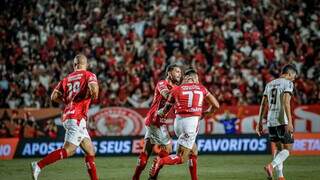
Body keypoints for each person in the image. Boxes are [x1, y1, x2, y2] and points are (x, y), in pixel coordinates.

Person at [30, 54, 99, 180]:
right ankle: (39, 165)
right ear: (86, 64)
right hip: (77, 117)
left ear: (74, 65)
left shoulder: (66, 79)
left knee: (90, 151)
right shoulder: (89, 75)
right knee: (69, 150)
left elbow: (53, 97)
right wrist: (93, 95)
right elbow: (94, 90)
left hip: (69, 115)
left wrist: (68, 101)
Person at [150, 69, 220, 180]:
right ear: (193, 78)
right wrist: (206, 113)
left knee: (193, 151)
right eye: (197, 78)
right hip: (191, 123)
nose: (197, 80)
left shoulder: (176, 89)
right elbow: (216, 105)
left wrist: (159, 112)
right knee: (181, 158)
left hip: (178, 123)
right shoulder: (201, 88)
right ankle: (161, 161)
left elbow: (165, 110)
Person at [132, 64, 182, 180]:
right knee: (168, 149)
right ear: (169, 73)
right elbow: (166, 94)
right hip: (156, 119)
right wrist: (179, 92)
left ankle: (136, 177)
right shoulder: (162, 83)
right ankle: (155, 172)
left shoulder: (175, 87)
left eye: (180, 72)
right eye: (177, 71)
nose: (179, 74)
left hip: (155, 120)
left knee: (146, 151)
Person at [256, 64, 298, 180]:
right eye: (294, 76)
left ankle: (280, 176)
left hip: (270, 121)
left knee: (278, 149)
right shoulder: (288, 83)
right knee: (288, 149)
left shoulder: (269, 84)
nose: (294, 78)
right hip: (282, 120)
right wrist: (289, 122)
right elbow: (286, 103)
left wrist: (259, 122)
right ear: (289, 73)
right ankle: (271, 166)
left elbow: (263, 104)